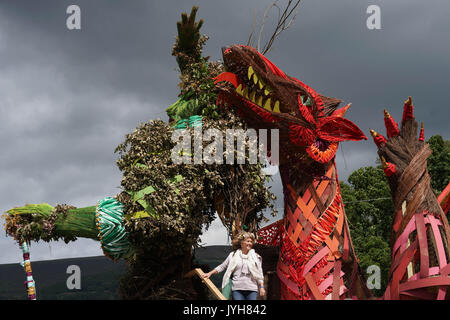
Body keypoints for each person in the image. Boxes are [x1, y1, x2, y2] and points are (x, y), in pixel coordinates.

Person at [202, 231, 265, 300]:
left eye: (251, 242)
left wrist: (261, 287)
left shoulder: (256, 257)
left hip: (252, 289)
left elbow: (259, 273)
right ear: (241, 243)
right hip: (237, 289)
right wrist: (209, 273)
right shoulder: (233, 255)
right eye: (248, 241)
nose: (249, 243)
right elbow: (222, 266)